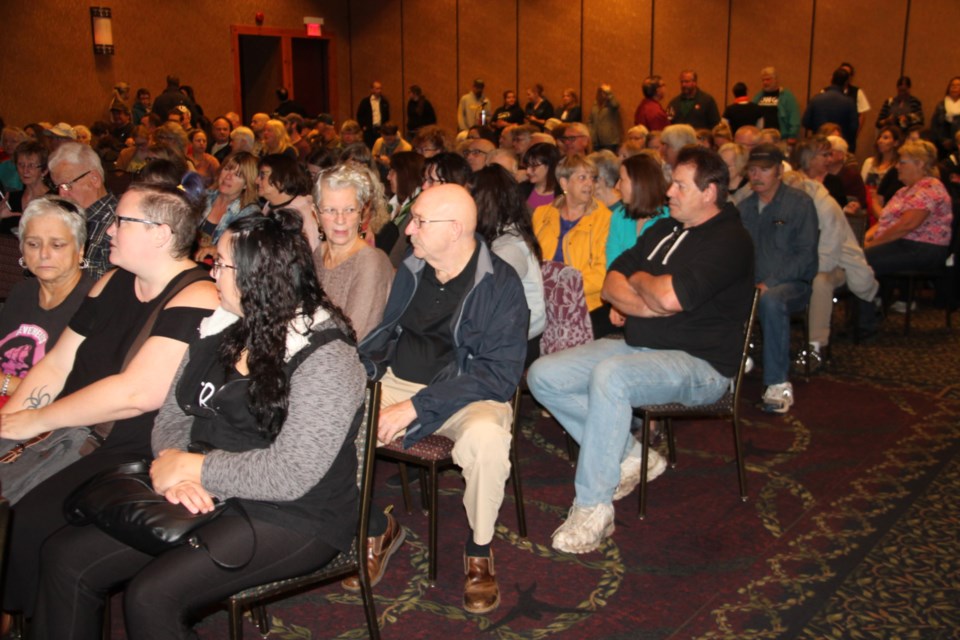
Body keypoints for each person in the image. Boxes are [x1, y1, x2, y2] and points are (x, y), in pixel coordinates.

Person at [30, 210, 364, 639]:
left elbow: (292, 473)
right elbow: (174, 413)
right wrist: (173, 464)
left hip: (293, 515)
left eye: (222, 265)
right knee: (64, 558)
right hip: (203, 489)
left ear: (257, 279)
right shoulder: (221, 326)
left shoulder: (326, 357)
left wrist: (197, 470)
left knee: (152, 596)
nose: (212, 272)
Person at [0, 181, 220, 617]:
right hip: (75, 425)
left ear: (159, 233)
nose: (108, 231)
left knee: (28, 517)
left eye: (121, 221)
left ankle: (15, 614)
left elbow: (136, 394)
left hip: (133, 446)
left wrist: (36, 420)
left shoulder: (199, 295)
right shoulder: (112, 282)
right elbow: (58, 362)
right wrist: (14, 417)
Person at [526, 146, 754, 554]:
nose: (670, 193)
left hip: (703, 366)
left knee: (611, 377)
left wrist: (645, 289)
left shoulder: (730, 240)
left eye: (681, 185)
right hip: (643, 345)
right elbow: (614, 282)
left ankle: (594, 506)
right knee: (544, 374)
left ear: (710, 192)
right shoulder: (665, 229)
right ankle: (632, 454)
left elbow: (668, 298)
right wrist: (648, 298)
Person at [350, 184, 528, 614]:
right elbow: (387, 335)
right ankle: (379, 527)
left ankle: (479, 551)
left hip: (469, 392)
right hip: (399, 381)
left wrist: (418, 407)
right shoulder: (412, 267)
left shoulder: (500, 285)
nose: (408, 229)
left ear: (455, 229)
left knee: (486, 441)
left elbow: (497, 375)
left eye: (420, 222)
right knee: (333, 417)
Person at [737, 144, 819, 414]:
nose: (757, 175)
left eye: (764, 169)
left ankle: (777, 383)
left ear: (780, 171)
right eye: (752, 169)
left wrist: (770, 282)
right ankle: (726, 368)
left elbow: (806, 256)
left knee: (770, 300)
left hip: (792, 284)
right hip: (753, 283)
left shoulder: (799, 203)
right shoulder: (745, 207)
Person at [0, 198, 95, 404]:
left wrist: (6, 384)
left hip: (45, 424)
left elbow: (79, 396)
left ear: (80, 250)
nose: (43, 254)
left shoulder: (94, 303)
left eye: (57, 244)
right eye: (33, 244)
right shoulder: (22, 291)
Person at [781, 171, 877, 365]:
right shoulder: (780, 204)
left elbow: (828, 258)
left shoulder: (826, 208)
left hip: (838, 263)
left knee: (820, 281)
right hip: (797, 263)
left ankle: (815, 345)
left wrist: (793, 271)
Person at [860, 140, 954, 332]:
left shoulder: (930, 188)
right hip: (904, 244)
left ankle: (865, 322)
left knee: (861, 262)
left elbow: (907, 225)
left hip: (923, 248)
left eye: (902, 162)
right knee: (857, 256)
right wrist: (864, 240)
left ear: (919, 164)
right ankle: (865, 315)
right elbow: (885, 221)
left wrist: (872, 245)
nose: (897, 166)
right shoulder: (904, 191)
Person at [468, 164, 545, 364]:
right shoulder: (501, 235)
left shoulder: (508, 248)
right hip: (505, 330)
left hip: (518, 342)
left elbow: (482, 302)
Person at [310, 165, 394, 341]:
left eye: (349, 210)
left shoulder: (371, 262)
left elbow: (354, 338)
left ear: (362, 213)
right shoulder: (319, 252)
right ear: (316, 214)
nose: (340, 220)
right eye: (331, 210)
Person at [532, 154, 612, 333]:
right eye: (582, 178)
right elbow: (530, 259)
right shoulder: (541, 214)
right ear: (564, 183)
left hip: (585, 307)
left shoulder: (604, 218)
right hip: (541, 302)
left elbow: (602, 273)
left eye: (592, 178)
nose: (589, 184)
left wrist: (562, 291)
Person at [48, 142, 116, 280]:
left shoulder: (117, 223)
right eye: (58, 187)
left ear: (94, 179)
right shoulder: (66, 217)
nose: (62, 194)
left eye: (67, 185)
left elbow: (114, 285)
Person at [606, 152, 670, 266]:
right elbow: (612, 264)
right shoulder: (619, 216)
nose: (616, 186)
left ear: (638, 183)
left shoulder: (669, 220)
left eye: (621, 179)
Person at [195, 152, 260, 262]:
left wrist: (219, 250)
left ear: (246, 184)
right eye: (227, 169)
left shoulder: (250, 214)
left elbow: (248, 254)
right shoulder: (205, 196)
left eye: (238, 175)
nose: (228, 177)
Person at [256, 153, 321, 252]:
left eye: (262, 175)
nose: (256, 181)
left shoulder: (303, 215)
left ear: (280, 179)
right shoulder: (269, 205)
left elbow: (311, 255)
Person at [0, 141, 52, 234]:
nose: (25, 170)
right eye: (21, 164)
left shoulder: (54, 200)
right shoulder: (11, 199)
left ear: (44, 170)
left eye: (31, 165)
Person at [803, 68, 860, 152]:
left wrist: (818, 129)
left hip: (819, 145)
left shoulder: (816, 99)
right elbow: (854, 127)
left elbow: (806, 122)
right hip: (839, 146)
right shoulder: (849, 102)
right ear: (846, 83)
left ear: (831, 79)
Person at [861, 126, 905, 209]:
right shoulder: (869, 162)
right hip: (867, 204)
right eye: (879, 137)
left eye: (885, 138)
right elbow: (861, 186)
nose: (880, 141)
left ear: (896, 143)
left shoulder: (898, 167)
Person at [752, 67, 801, 141]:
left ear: (775, 80)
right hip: (761, 138)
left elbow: (794, 117)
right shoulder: (758, 96)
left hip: (780, 138)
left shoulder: (787, 96)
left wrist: (792, 135)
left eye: (768, 79)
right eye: (763, 80)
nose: (765, 82)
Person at [520, 142, 562, 210]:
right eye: (527, 166)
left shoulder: (563, 193)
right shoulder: (522, 189)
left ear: (550, 166)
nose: (528, 171)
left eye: (533, 167)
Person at [930, 76, 960, 157]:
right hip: (941, 144)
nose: (954, 88)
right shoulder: (941, 105)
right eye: (952, 85)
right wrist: (942, 141)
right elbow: (934, 126)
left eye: (957, 85)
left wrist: (953, 142)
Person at [589, 84, 623, 153]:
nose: (603, 95)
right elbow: (590, 121)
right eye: (601, 92)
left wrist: (609, 93)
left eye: (605, 93)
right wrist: (591, 133)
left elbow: (615, 104)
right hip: (596, 141)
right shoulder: (595, 106)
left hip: (610, 141)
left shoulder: (611, 105)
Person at [357, 80, 390, 149]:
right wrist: (363, 126)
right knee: (369, 148)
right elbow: (359, 115)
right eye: (377, 88)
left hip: (380, 129)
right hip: (369, 130)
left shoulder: (384, 102)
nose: (379, 90)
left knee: (381, 148)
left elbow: (387, 116)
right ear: (372, 90)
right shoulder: (365, 102)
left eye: (380, 88)